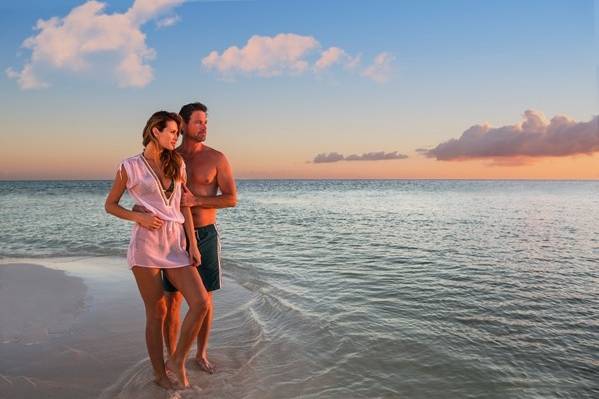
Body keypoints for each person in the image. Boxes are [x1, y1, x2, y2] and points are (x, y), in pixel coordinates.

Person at [105, 111, 210, 389]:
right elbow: (111, 205)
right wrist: (138, 217)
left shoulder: (177, 162)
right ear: (155, 131)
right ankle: (159, 374)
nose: (177, 137)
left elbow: (184, 203)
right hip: (146, 245)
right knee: (157, 312)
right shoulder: (129, 166)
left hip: (175, 243)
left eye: (178, 132)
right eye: (173, 132)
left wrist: (193, 244)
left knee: (200, 302)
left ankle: (176, 358)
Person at [162, 102, 237, 374]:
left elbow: (231, 199)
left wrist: (197, 200)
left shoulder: (217, 158)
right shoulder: (169, 156)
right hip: (172, 235)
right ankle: (173, 357)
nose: (204, 127)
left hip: (205, 235)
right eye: (198, 122)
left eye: (206, 122)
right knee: (172, 301)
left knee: (204, 300)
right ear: (182, 125)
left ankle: (201, 354)